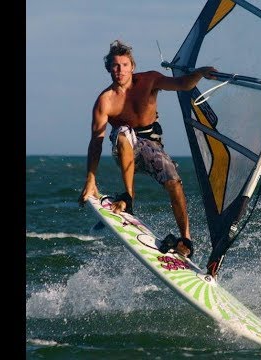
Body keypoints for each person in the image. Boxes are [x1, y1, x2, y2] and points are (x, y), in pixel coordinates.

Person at [78, 40, 217, 258]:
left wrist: (200, 72)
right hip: (123, 149)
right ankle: (128, 197)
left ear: (132, 66)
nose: (120, 70)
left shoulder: (150, 80)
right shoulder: (105, 101)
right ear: (109, 69)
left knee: (174, 183)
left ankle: (186, 241)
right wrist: (90, 179)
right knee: (123, 132)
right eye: (115, 66)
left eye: (124, 65)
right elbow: (96, 141)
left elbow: (182, 84)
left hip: (152, 146)